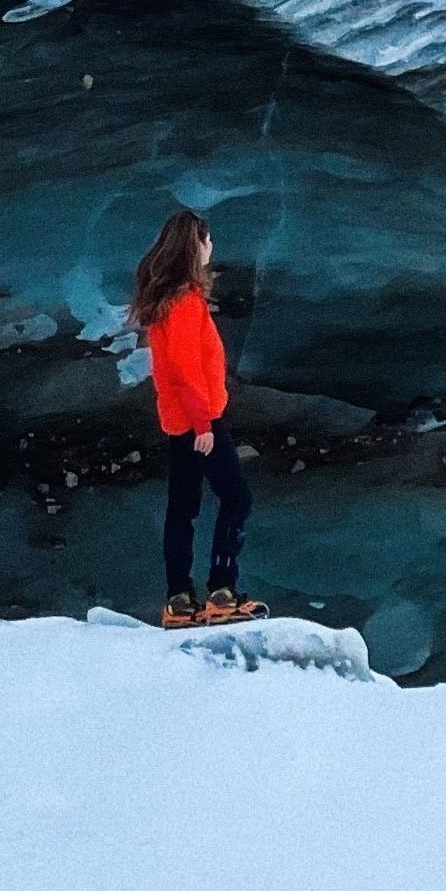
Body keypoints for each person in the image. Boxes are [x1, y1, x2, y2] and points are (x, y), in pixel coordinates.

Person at [129, 207, 263, 626]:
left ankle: (179, 600)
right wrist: (205, 425)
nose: (212, 247)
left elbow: (171, 371)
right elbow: (187, 372)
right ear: (194, 247)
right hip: (198, 421)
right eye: (207, 240)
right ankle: (222, 592)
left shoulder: (164, 303)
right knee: (236, 498)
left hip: (179, 420)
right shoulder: (185, 304)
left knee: (183, 506)